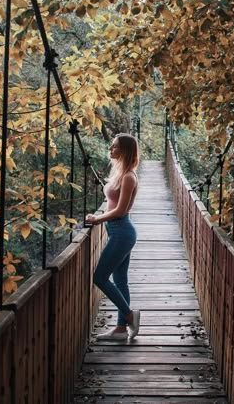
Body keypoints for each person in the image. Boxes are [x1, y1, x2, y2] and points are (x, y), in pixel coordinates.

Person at [85, 133, 140, 340]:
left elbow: (120, 211)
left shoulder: (128, 177)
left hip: (121, 232)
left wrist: (96, 219)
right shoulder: (121, 174)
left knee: (100, 277)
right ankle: (119, 329)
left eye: (115, 146)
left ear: (125, 150)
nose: (111, 148)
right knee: (120, 281)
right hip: (118, 232)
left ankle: (129, 316)